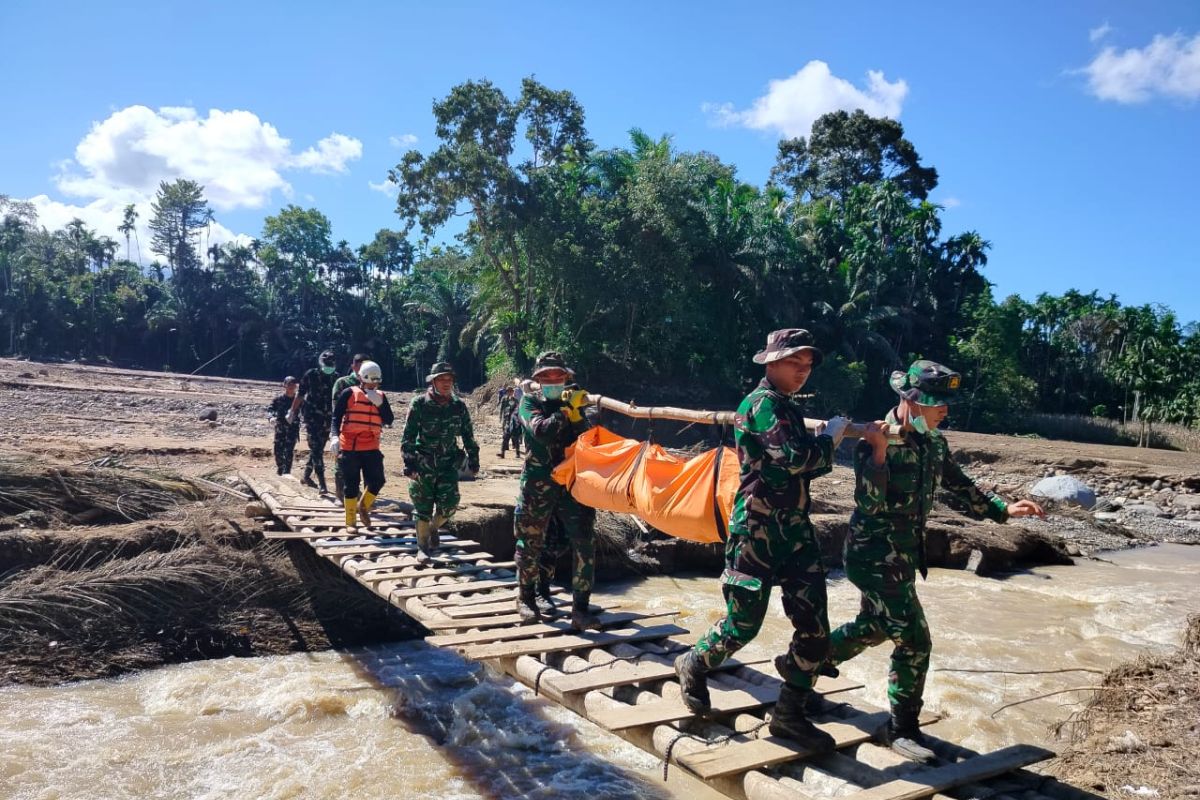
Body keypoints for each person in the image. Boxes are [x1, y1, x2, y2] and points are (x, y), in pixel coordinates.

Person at [824, 360, 1045, 763]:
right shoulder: (876, 438)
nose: (944, 410)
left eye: (946, 403)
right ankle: (901, 728)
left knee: (875, 627)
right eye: (936, 403)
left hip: (904, 556)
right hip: (872, 555)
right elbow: (870, 505)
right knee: (914, 640)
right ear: (911, 400)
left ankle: (807, 662)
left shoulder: (933, 443)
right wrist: (876, 453)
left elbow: (960, 485)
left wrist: (1003, 510)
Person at [674, 328, 850, 750]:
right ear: (770, 363)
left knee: (815, 627)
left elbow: (798, 459)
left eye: (807, 366)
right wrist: (831, 438)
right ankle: (694, 662)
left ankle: (789, 714)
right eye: (795, 363)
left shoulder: (786, 406)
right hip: (756, 530)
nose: (802, 372)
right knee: (743, 625)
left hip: (795, 531)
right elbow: (796, 459)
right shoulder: (761, 405)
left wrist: (822, 439)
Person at [513, 351, 602, 629]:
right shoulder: (529, 402)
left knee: (582, 543)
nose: (553, 380)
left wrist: (578, 414)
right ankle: (526, 599)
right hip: (538, 485)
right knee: (530, 542)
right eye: (546, 376)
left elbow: (589, 437)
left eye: (558, 376)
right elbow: (541, 431)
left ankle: (580, 609)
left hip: (572, 486)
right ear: (538, 380)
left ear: (567, 378)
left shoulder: (578, 402)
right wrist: (565, 411)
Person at [401, 362, 480, 556]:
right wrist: (409, 463)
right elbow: (409, 435)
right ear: (433, 381)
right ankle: (422, 547)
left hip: (447, 464)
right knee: (422, 508)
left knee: (450, 505)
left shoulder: (458, 406)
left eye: (449, 379)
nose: (446, 383)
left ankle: (433, 528)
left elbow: (468, 434)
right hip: (423, 464)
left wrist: (474, 459)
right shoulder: (419, 403)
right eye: (441, 379)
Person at [328, 360, 393, 533]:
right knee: (351, 484)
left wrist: (379, 404)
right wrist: (334, 436)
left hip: (371, 447)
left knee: (378, 480)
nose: (375, 384)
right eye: (372, 380)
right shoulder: (348, 393)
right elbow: (336, 417)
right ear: (362, 378)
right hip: (350, 447)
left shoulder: (381, 396)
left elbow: (389, 420)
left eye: (377, 381)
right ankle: (351, 522)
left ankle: (363, 506)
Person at [290, 349, 338, 493]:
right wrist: (292, 411)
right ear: (321, 362)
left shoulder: (336, 378)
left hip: (328, 419)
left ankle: (305, 475)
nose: (329, 366)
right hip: (312, 418)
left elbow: (339, 400)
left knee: (318, 448)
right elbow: (300, 394)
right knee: (316, 449)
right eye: (327, 363)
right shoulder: (310, 375)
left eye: (331, 363)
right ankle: (322, 483)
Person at [331, 353, 369, 502]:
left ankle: (362, 498)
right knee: (342, 464)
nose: (361, 369)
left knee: (364, 465)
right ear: (353, 366)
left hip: (365, 432)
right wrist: (335, 433)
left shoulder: (371, 384)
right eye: (359, 365)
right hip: (345, 430)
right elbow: (336, 408)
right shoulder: (343, 383)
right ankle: (340, 496)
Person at [268, 376, 301, 475]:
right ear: (284, 385)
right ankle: (280, 467)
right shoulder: (278, 399)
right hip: (280, 428)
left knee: (289, 451)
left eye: (293, 385)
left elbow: (305, 411)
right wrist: (271, 418)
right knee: (278, 450)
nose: (291, 387)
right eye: (289, 385)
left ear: (296, 386)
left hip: (292, 429)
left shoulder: (298, 400)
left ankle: (287, 471)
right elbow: (270, 409)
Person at [498, 385, 522, 458]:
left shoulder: (515, 400)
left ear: (512, 392)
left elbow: (518, 410)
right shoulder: (504, 399)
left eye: (511, 391)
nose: (509, 393)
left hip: (514, 421)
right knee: (505, 436)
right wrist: (500, 416)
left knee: (515, 437)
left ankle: (517, 453)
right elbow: (502, 408)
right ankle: (503, 453)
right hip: (507, 419)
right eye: (508, 391)